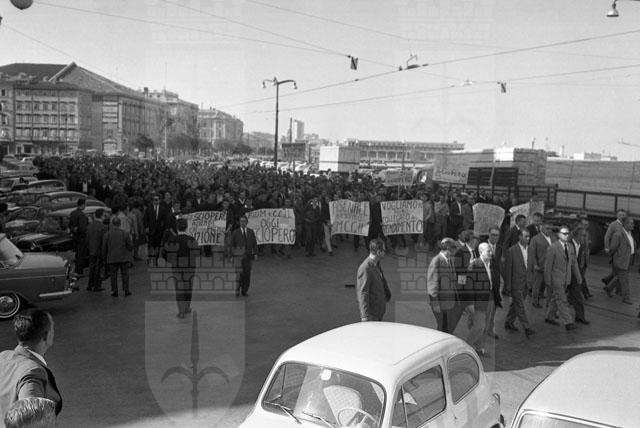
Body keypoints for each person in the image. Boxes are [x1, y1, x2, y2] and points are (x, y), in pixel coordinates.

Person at [0, 310, 62, 419]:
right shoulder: (33, 372)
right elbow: (30, 419)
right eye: (52, 328)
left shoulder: (3, 357)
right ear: (46, 336)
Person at [544, 225, 582, 331]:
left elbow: (574, 263)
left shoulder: (570, 247)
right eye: (564, 233)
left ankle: (549, 316)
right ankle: (568, 322)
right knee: (562, 299)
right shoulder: (552, 248)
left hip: (566, 279)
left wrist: (578, 277)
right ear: (559, 235)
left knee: (556, 297)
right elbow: (548, 266)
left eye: (567, 233)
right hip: (556, 278)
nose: (566, 235)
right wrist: (547, 280)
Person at [462, 243, 495, 356]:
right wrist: (470, 303)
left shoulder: (491, 264)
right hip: (478, 301)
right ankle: (465, 348)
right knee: (479, 326)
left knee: (486, 326)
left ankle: (479, 348)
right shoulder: (474, 265)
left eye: (491, 251)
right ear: (481, 252)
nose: (490, 253)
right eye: (488, 251)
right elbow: (468, 286)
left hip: (490, 298)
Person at [503, 229, 536, 338]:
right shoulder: (512, 250)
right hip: (515, 283)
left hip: (526, 282)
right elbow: (508, 269)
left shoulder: (531, 249)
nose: (528, 238)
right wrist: (507, 286)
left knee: (516, 304)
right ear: (519, 237)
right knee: (520, 305)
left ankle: (509, 321)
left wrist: (532, 280)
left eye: (529, 236)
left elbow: (531, 267)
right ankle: (527, 327)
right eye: (526, 236)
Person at [163, 218, 197, 318]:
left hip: (176, 266)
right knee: (188, 287)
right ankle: (187, 307)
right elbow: (197, 252)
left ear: (177, 228)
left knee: (179, 288)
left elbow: (164, 252)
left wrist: (171, 260)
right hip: (189, 267)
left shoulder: (172, 239)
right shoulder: (191, 239)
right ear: (186, 227)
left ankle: (181, 311)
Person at [427, 238, 462, 333]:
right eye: (454, 248)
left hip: (449, 302)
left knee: (447, 327)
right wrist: (435, 304)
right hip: (440, 303)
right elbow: (432, 285)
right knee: (442, 328)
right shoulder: (436, 261)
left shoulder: (450, 260)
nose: (456, 250)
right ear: (448, 248)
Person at [356, 238, 391, 322]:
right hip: (372, 315)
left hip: (378, 311)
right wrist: (365, 316)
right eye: (384, 250)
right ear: (378, 252)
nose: (385, 252)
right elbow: (363, 293)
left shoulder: (376, 263)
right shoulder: (365, 268)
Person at [604, 217, 636, 304]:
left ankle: (608, 288)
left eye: (633, 223)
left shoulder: (630, 233)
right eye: (631, 223)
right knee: (625, 280)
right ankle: (626, 298)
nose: (633, 225)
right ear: (625, 224)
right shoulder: (618, 235)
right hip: (621, 260)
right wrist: (615, 258)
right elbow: (613, 248)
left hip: (628, 259)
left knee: (619, 277)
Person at [103, 216, 133, 297]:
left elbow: (104, 248)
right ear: (120, 224)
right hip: (123, 257)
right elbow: (130, 247)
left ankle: (114, 291)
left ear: (112, 224)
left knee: (113, 275)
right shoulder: (125, 234)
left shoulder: (107, 235)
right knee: (125, 274)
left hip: (112, 258)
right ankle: (126, 290)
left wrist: (104, 258)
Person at [228, 215, 258, 297]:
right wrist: (231, 256)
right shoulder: (235, 232)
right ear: (239, 222)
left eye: (244, 221)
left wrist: (256, 253)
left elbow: (254, 243)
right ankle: (237, 289)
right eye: (241, 221)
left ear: (247, 222)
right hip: (238, 257)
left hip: (248, 257)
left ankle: (244, 290)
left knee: (247, 274)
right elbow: (231, 245)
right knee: (239, 274)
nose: (242, 223)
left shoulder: (251, 232)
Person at [568, 225, 590, 325]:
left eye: (585, 236)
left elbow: (580, 262)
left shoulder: (581, 246)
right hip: (566, 275)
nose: (585, 238)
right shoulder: (568, 244)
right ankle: (550, 315)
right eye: (583, 236)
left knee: (578, 297)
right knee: (557, 297)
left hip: (575, 276)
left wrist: (580, 276)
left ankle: (580, 317)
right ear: (576, 236)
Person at [528, 222, 553, 308]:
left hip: (550, 266)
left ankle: (548, 303)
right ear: (542, 229)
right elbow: (532, 253)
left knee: (549, 285)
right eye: (547, 228)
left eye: (550, 229)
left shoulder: (553, 238)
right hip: (539, 266)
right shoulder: (535, 239)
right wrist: (535, 264)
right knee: (537, 285)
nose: (549, 230)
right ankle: (535, 301)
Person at [143, 194, 169, 266]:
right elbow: (145, 219)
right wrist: (146, 227)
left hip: (159, 230)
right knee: (150, 245)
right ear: (152, 200)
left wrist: (164, 228)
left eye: (157, 200)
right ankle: (149, 258)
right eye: (154, 200)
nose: (155, 201)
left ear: (159, 200)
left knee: (157, 245)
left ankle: (156, 260)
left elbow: (165, 220)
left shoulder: (163, 209)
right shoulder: (149, 208)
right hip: (151, 230)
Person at [86, 208, 106, 292]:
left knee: (92, 268)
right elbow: (104, 241)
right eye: (104, 215)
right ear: (101, 216)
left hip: (91, 249)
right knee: (99, 268)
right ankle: (97, 285)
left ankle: (90, 284)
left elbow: (87, 239)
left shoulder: (90, 226)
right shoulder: (103, 227)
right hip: (99, 250)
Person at [68, 198, 88, 276]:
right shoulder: (82, 215)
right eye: (85, 204)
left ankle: (76, 270)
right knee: (81, 255)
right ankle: (79, 271)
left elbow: (70, 225)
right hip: (81, 238)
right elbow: (83, 228)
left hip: (74, 237)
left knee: (76, 254)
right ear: (82, 205)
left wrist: (73, 229)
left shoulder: (72, 213)